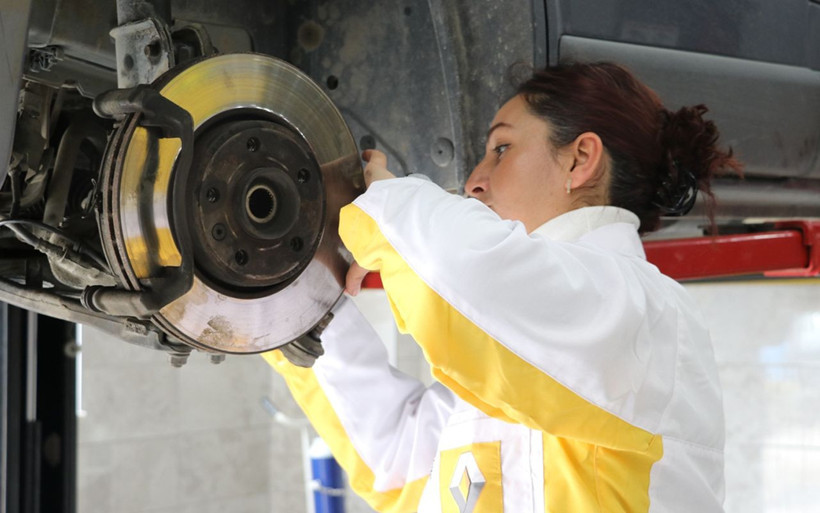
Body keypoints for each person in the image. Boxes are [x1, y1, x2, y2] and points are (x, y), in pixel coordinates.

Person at [263, 62, 741, 513]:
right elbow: (398, 461)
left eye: (502, 149)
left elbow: (465, 271)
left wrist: (382, 200)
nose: (473, 182)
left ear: (580, 160)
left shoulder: (645, 314)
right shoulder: (522, 355)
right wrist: (296, 298)